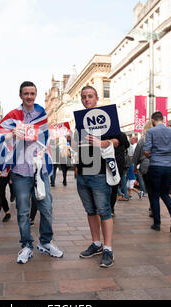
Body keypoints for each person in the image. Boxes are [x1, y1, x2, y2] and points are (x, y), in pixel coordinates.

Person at [0, 81, 63, 264]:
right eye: (26, 93)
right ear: (21, 95)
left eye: (32, 93)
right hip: (20, 171)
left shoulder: (42, 114)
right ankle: (26, 245)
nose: (29, 96)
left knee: (46, 209)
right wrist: (12, 133)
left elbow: (46, 138)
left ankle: (45, 242)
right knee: (23, 212)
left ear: (35, 95)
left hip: (40, 170)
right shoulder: (13, 116)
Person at [72, 86, 119, 268]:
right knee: (90, 210)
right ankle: (96, 244)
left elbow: (119, 140)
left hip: (99, 172)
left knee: (104, 210)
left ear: (96, 98)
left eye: (90, 96)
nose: (86, 99)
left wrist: (103, 142)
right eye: (84, 97)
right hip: (84, 171)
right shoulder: (80, 121)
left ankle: (108, 249)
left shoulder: (106, 117)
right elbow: (78, 146)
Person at [143, 111, 171, 232]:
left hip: (156, 165)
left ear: (153, 120)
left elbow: (146, 151)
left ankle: (157, 224)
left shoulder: (150, 132)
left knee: (154, 195)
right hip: (169, 167)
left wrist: (151, 155)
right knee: (164, 193)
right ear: (163, 119)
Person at [133, 120, 154, 217]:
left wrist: (134, 166)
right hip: (158, 165)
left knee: (150, 188)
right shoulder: (158, 139)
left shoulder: (143, 140)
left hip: (145, 166)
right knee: (156, 189)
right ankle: (154, 207)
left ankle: (153, 207)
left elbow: (136, 155)